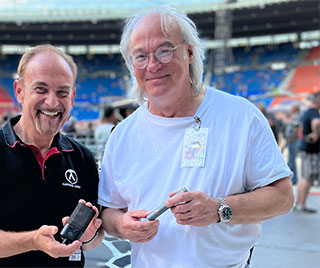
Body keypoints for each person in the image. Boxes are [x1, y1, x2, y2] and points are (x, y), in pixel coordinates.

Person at [98, 7, 294, 268]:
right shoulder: (122, 135)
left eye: (164, 51)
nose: (153, 65)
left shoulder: (240, 116)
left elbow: (282, 197)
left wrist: (218, 208)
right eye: (140, 57)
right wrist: (121, 226)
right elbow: (109, 210)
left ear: (189, 52)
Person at [0, 44, 103, 267]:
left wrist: (87, 237)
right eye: (41, 89)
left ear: (72, 97)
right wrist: (33, 241)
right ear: (19, 91)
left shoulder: (83, 158)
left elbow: (94, 239)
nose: (52, 102)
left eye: (62, 92)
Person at [294, 92, 320, 213]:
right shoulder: (314, 112)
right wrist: (317, 134)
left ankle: (299, 203)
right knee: (307, 178)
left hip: (306, 149)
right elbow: (316, 123)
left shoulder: (307, 111)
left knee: (304, 177)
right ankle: (301, 204)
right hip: (310, 150)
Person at [284, 104, 301, 184]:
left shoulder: (297, 116)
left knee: (292, 159)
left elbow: (297, 128)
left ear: (295, 108)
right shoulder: (294, 116)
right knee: (290, 159)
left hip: (293, 140)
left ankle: (294, 179)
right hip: (291, 139)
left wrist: (292, 138)